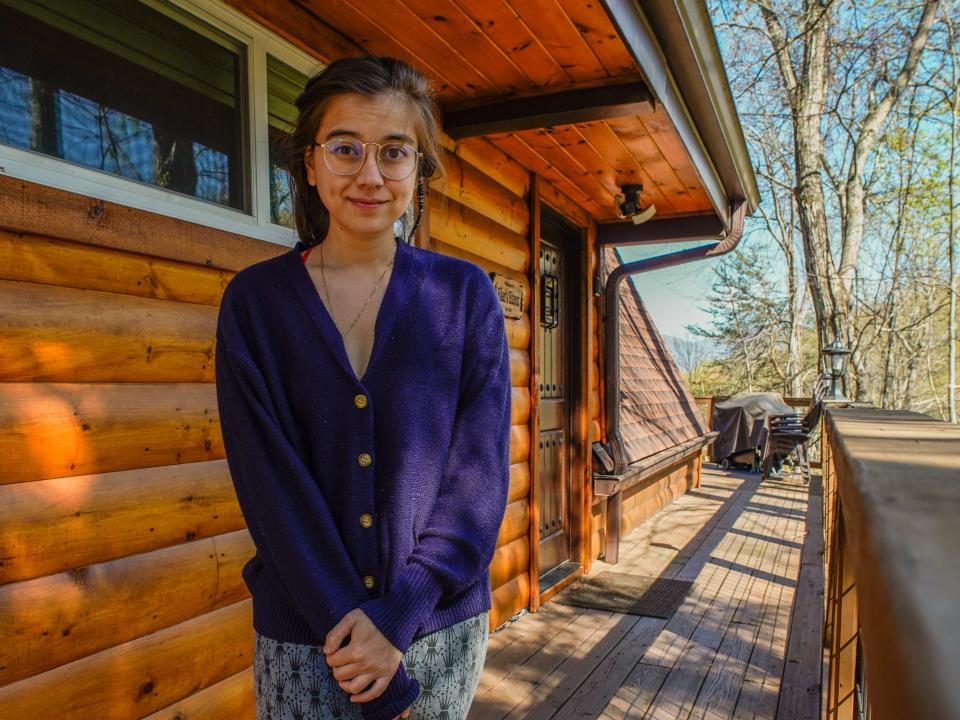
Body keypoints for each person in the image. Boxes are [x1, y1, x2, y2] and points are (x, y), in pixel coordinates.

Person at [213, 55, 513, 720]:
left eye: (394, 151)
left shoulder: (465, 297)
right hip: (308, 637)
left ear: (418, 171)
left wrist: (399, 615)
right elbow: (269, 489)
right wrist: (355, 633)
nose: (370, 174)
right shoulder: (255, 304)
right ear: (311, 163)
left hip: (436, 628)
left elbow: (479, 480)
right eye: (345, 148)